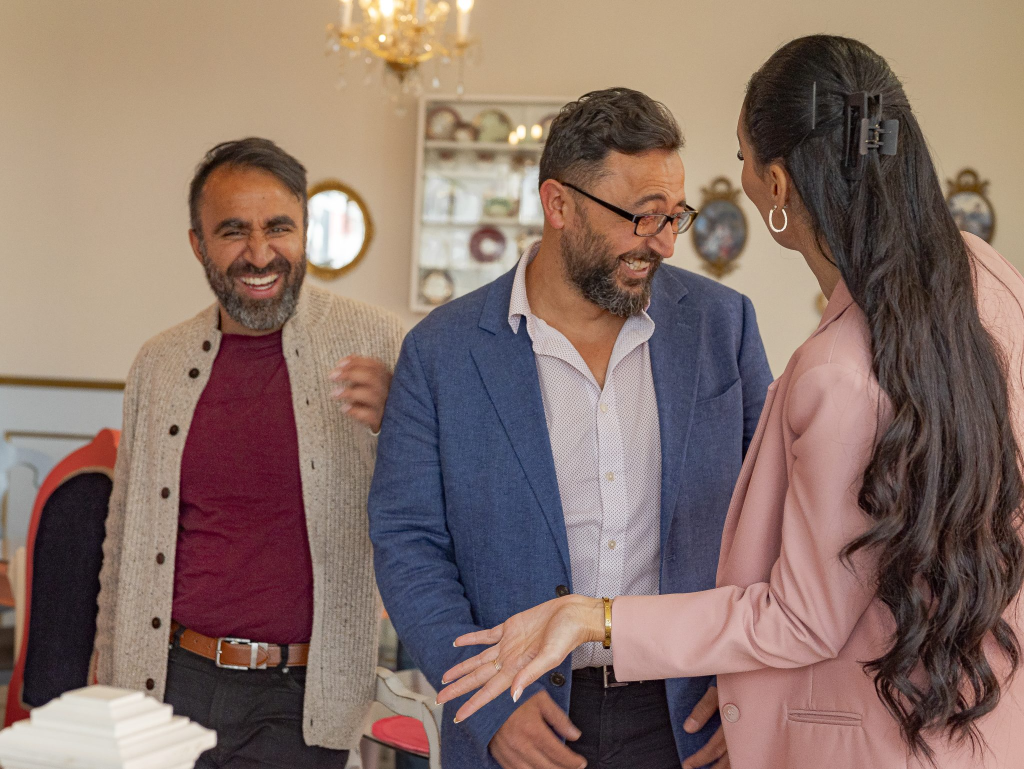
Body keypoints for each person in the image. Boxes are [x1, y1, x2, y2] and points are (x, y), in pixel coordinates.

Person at [435, 35, 1024, 769]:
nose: (737, 174)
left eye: (742, 155)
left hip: (869, 732)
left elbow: (799, 617)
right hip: (983, 721)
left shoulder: (828, 368)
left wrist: (594, 617)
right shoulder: (984, 275)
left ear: (777, 186)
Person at [369, 88, 773, 769]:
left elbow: (776, 518)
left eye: (676, 216)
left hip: (690, 718)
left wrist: (753, 693)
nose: (666, 243)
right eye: (643, 218)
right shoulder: (440, 351)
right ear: (558, 205)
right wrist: (490, 707)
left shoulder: (722, 326)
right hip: (518, 716)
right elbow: (408, 543)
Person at [94, 137, 404, 768]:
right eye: (233, 231)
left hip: (300, 697)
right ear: (198, 243)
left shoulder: (383, 344)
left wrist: (405, 417)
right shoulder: (159, 364)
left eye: (279, 228)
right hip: (168, 682)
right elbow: (124, 533)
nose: (260, 254)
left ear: (305, 231)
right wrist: (109, 663)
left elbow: (453, 503)